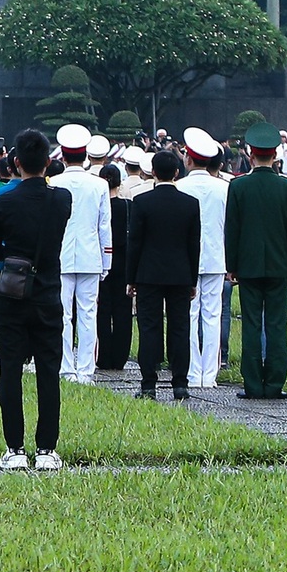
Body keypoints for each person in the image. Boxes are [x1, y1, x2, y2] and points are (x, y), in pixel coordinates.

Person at [0, 129, 71, 472]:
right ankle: (47, 448)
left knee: (10, 370)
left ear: (15, 162)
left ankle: (15, 447)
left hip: (11, 295)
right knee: (49, 372)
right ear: (48, 162)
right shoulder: (61, 199)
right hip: (48, 291)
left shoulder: (2, 201)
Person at [224, 120, 287, 399]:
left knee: (252, 324)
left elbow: (232, 229)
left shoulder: (238, 187)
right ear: (276, 155)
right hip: (280, 266)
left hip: (248, 265)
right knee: (277, 324)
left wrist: (231, 265)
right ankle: (275, 384)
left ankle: (253, 384)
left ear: (250, 153)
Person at [126, 149, 200, 400]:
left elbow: (134, 242)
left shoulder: (142, 202)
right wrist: (192, 278)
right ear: (177, 173)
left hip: (149, 274)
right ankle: (180, 383)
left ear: (153, 172)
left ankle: (148, 384)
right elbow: (194, 244)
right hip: (180, 274)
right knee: (180, 328)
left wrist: (131, 278)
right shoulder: (190, 204)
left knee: (149, 328)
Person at [48, 125, 111, 384]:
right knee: (88, 314)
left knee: (62, 314)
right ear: (85, 156)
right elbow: (104, 226)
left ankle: (65, 367)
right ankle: (86, 369)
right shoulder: (99, 184)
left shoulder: (54, 183)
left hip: (60, 257)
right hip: (90, 256)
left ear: (62, 155)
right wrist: (106, 261)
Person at [177, 129, 229, 389]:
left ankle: (192, 371)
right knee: (212, 316)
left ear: (188, 158)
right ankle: (209, 375)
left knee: (188, 315)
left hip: (185, 259)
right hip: (216, 257)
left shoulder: (180, 186)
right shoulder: (224, 188)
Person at [96, 163, 134, 371]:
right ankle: (120, 356)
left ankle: (102, 355)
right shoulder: (128, 206)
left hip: (102, 261)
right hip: (124, 262)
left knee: (102, 309)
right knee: (123, 310)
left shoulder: (98, 206)